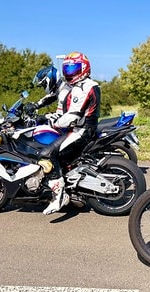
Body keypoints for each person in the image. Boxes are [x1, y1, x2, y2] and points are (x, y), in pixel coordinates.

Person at [39, 51, 101, 215]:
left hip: (82, 131)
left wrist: (53, 122)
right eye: (67, 69)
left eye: (73, 69)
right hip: (77, 128)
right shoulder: (76, 86)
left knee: (47, 154)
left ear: (84, 68)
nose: (69, 73)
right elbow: (61, 107)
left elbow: (73, 116)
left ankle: (59, 196)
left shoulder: (85, 87)